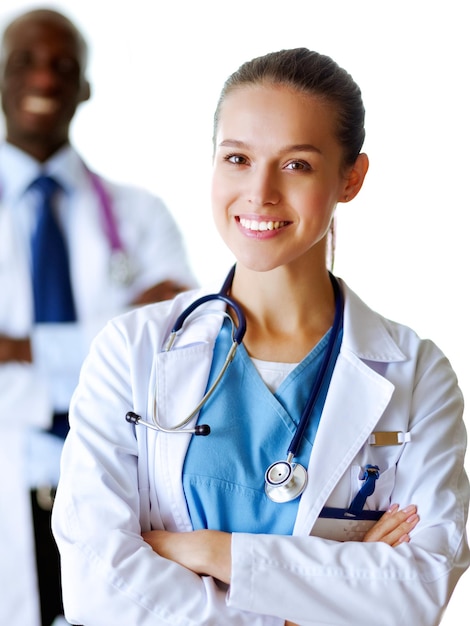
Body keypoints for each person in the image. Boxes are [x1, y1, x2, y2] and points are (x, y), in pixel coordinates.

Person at [52, 47, 469, 626]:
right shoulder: (132, 349)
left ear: (352, 177)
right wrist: (318, 599)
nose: (260, 192)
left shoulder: (417, 375)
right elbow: (99, 590)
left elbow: (417, 591)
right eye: (238, 158)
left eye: (296, 164)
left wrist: (210, 552)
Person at [0, 8, 197, 626]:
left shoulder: (140, 214)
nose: (46, 78)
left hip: (116, 480)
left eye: (65, 66)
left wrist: (19, 348)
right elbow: (137, 342)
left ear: (85, 87)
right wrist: (117, 326)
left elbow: (185, 344)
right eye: (26, 61)